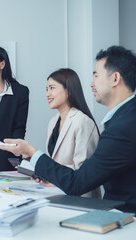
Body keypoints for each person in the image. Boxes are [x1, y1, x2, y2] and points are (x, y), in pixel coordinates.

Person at [0, 46, 136, 232]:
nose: (91, 83)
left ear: (115, 79)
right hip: (127, 215)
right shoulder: (127, 116)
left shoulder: (125, 126)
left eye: (96, 75)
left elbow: (78, 182)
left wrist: (31, 151)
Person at [43, 68, 101, 198]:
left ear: (68, 90)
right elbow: (52, 164)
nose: (48, 94)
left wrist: (53, 175)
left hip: (81, 198)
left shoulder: (82, 122)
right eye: (47, 89)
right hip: (57, 193)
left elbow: (83, 172)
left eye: (52, 88)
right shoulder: (53, 122)